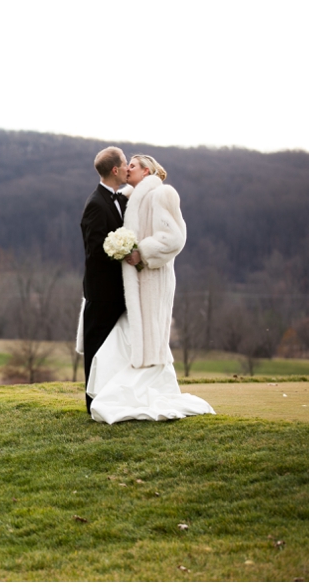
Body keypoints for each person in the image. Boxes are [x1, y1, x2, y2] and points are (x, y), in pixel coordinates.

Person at [87, 154, 214, 424]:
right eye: (126, 165)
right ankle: (114, 391)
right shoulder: (129, 198)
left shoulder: (162, 194)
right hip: (135, 287)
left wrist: (141, 253)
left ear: (147, 171)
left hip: (153, 282)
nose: (127, 168)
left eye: (132, 165)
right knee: (125, 338)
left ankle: (141, 390)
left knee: (148, 337)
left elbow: (174, 239)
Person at [77, 147, 130, 413]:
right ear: (115, 170)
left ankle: (115, 398)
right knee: (97, 348)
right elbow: (95, 250)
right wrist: (124, 253)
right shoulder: (96, 204)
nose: (128, 167)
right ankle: (94, 404)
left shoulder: (118, 199)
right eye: (124, 163)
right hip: (102, 293)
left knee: (117, 349)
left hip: (119, 292)